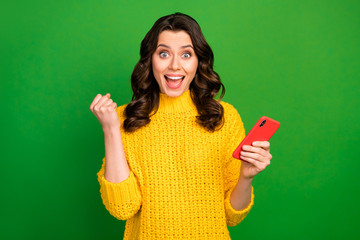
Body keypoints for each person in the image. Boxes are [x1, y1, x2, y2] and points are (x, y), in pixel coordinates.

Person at [89, 12, 272, 240]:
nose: (175, 65)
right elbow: (122, 208)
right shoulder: (124, 119)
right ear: (150, 60)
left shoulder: (225, 118)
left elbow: (232, 216)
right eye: (163, 53)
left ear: (198, 62)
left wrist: (246, 176)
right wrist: (110, 129)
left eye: (186, 54)